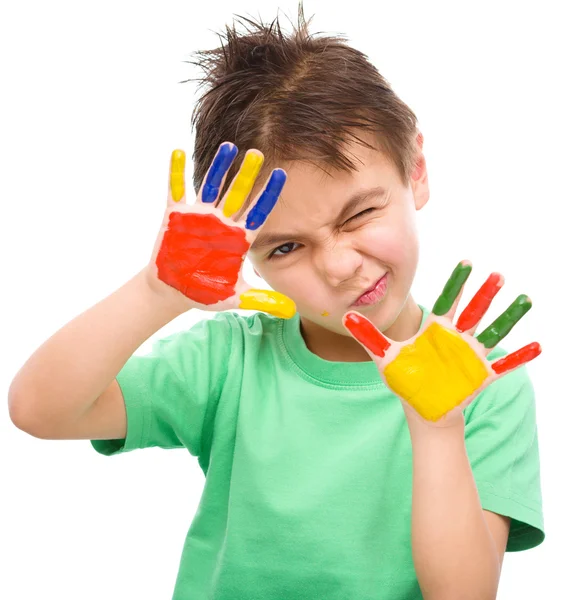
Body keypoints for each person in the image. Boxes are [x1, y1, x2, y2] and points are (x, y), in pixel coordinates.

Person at [8, 5, 544, 599]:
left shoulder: (484, 385)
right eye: (287, 246)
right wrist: (155, 293)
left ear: (415, 168)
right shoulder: (231, 359)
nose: (339, 266)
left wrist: (437, 428)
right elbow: (40, 411)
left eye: (360, 213)